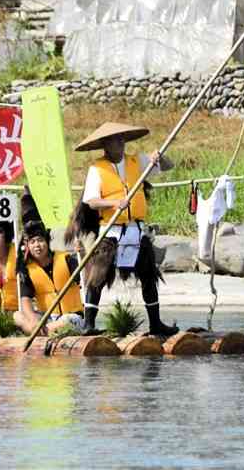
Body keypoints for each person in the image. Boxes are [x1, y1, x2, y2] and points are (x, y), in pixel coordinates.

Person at [67, 122, 179, 337]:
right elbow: (91, 201)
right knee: (97, 277)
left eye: (121, 138)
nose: (119, 142)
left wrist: (160, 158)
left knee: (149, 276)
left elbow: (168, 166)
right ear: (105, 145)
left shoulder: (138, 161)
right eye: (114, 139)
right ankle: (89, 324)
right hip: (110, 230)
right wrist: (114, 203)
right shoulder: (97, 169)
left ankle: (155, 324)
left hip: (135, 230)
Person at [14, 219, 84, 336]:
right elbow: (25, 301)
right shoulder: (27, 270)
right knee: (17, 315)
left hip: (71, 316)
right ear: (28, 246)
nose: (37, 245)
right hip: (47, 318)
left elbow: (86, 277)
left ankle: (40, 332)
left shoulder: (67, 259)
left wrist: (82, 254)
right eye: (32, 242)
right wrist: (34, 320)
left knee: (65, 321)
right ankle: (40, 330)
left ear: (47, 242)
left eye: (40, 240)